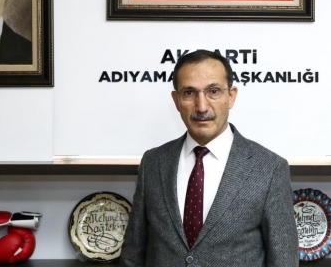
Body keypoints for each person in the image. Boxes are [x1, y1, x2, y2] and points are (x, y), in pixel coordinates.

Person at [120, 50, 298, 267]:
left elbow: (283, 261)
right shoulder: (153, 163)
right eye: (189, 93)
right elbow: (132, 256)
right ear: (176, 101)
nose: (202, 106)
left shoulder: (269, 168)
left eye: (213, 91)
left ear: (231, 96)